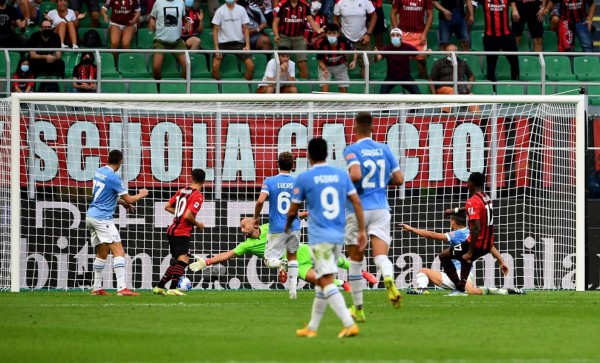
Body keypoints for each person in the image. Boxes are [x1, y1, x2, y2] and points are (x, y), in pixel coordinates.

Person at [286, 137, 367, 338]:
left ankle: (349, 324)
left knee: (326, 281)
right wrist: (362, 230)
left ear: (309, 155)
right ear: (328, 154)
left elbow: (293, 210)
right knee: (323, 282)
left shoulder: (304, 178)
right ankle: (312, 328)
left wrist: (287, 227)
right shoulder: (341, 175)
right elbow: (356, 202)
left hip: (320, 236)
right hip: (338, 234)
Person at [342, 111, 404, 322]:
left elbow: (357, 174)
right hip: (381, 208)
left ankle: (358, 309)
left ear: (355, 126)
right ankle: (387, 276)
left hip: (357, 209)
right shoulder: (384, 149)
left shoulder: (351, 150)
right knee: (380, 256)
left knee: (356, 261)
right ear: (372, 127)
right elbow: (399, 178)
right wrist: (380, 183)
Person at [189, 221, 378, 289]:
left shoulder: (267, 228)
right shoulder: (246, 246)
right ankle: (344, 284)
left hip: (299, 251)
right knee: (318, 280)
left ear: (254, 225)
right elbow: (228, 254)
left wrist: (303, 214)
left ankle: (362, 273)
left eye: (243, 227)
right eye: (240, 228)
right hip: (294, 263)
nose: (242, 230)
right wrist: (207, 261)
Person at [400, 212, 525, 295]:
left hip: (459, 275)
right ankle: (422, 290)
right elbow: (490, 246)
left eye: (450, 221)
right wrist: (501, 261)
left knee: (470, 291)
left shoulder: (458, 234)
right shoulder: (472, 233)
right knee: (423, 271)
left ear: (453, 221)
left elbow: (432, 235)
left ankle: (506, 292)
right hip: (462, 275)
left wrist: (411, 229)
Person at [87, 149, 149, 296]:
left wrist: (121, 203)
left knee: (102, 253)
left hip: (91, 216)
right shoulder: (114, 178)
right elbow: (130, 199)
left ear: (108, 159)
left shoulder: (99, 171)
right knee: (119, 252)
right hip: (102, 219)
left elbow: (104, 195)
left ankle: (97, 288)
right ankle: (122, 288)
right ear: (120, 161)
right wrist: (141, 194)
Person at [250, 152, 301, 298]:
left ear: (277, 164)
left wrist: (256, 218)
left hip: (277, 227)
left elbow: (260, 201)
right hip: (295, 225)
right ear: (293, 166)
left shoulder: (270, 181)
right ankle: (293, 293)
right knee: (293, 257)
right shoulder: (298, 181)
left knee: (268, 261)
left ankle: (280, 263)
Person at [153, 169, 206, 296]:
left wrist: (180, 215)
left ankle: (159, 287)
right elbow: (188, 216)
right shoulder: (198, 195)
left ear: (191, 178)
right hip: (181, 231)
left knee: (178, 262)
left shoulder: (182, 191)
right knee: (183, 260)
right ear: (204, 181)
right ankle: (172, 288)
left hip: (171, 229)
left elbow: (167, 206)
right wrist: (198, 225)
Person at [441, 172, 494, 294]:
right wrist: (454, 210)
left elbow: (476, 228)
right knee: (465, 259)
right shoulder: (486, 197)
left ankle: (459, 288)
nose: (467, 184)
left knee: (444, 256)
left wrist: (470, 251)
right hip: (488, 243)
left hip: (477, 243)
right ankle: (460, 288)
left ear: (471, 183)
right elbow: (471, 208)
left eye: (468, 181)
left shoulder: (472, 201)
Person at [272, 0, 323, 79]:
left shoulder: (305, 5)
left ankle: (305, 87)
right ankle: (276, 84)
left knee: (302, 62)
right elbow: (275, 23)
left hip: (298, 37)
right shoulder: (282, 4)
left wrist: (318, 29)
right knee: (279, 61)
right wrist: (276, 35)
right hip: (283, 36)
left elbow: (311, 20)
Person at [428, 44, 480, 113]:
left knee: (472, 97)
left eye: (454, 51)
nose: (452, 53)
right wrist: (434, 94)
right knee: (452, 91)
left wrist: (467, 87)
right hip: (444, 88)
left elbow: (471, 76)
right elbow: (431, 79)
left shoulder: (463, 63)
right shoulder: (438, 63)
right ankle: (445, 116)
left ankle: (478, 118)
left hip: (461, 89)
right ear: (446, 52)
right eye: (450, 51)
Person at [211, 0, 254, 80]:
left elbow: (246, 28)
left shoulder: (241, 9)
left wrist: (247, 45)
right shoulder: (220, 11)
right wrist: (216, 48)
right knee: (215, 66)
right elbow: (215, 30)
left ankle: (244, 86)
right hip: (223, 44)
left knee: (250, 66)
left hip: (238, 43)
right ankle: (218, 88)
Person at [148, 0, 191, 81]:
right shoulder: (158, 2)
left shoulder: (181, 2)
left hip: (177, 42)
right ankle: (158, 87)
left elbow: (183, 17)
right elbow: (152, 16)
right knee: (156, 67)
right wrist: (151, 21)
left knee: (188, 66)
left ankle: (180, 86)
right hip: (160, 41)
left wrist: (187, 22)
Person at [333, 0, 376, 78]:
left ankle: (365, 89)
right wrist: (338, 32)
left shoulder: (366, 1)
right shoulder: (340, 2)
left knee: (366, 67)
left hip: (362, 38)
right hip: (345, 37)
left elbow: (374, 16)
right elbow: (335, 18)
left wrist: (368, 34)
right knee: (341, 66)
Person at [390, 0, 433, 79]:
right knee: (400, 63)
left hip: (419, 35)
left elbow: (430, 15)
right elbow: (393, 13)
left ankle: (422, 86)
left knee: (422, 64)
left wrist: (424, 33)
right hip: (403, 34)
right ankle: (401, 87)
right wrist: (397, 31)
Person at [481, 0, 520, 82]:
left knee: (514, 62)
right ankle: (492, 88)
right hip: (490, 37)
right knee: (491, 65)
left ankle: (516, 85)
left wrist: (514, 9)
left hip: (506, 36)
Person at [373, 28, 420, 94]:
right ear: (390, 36)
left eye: (397, 35)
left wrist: (427, 53)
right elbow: (377, 59)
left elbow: (420, 55)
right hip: (391, 77)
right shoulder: (387, 48)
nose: (395, 37)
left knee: (418, 95)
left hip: (406, 76)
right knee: (382, 96)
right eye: (393, 35)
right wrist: (376, 54)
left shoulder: (407, 47)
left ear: (401, 36)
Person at [316, 23, 357, 93]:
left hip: (340, 66)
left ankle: (343, 103)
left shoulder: (344, 41)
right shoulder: (322, 44)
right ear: (326, 34)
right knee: (324, 89)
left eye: (334, 33)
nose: (332, 35)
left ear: (338, 34)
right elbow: (320, 61)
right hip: (325, 67)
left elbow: (354, 50)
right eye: (329, 33)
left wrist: (354, 61)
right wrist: (325, 70)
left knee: (344, 90)